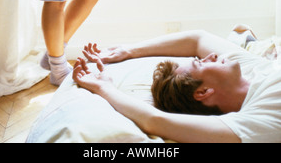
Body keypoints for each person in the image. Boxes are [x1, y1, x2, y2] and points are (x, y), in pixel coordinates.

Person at [73, 29, 281, 143]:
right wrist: (105, 88)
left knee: (241, 30)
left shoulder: (252, 67)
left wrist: (128, 50)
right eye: (201, 63)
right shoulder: (258, 118)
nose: (212, 56)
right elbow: (155, 121)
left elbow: (196, 39)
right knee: (241, 31)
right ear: (203, 92)